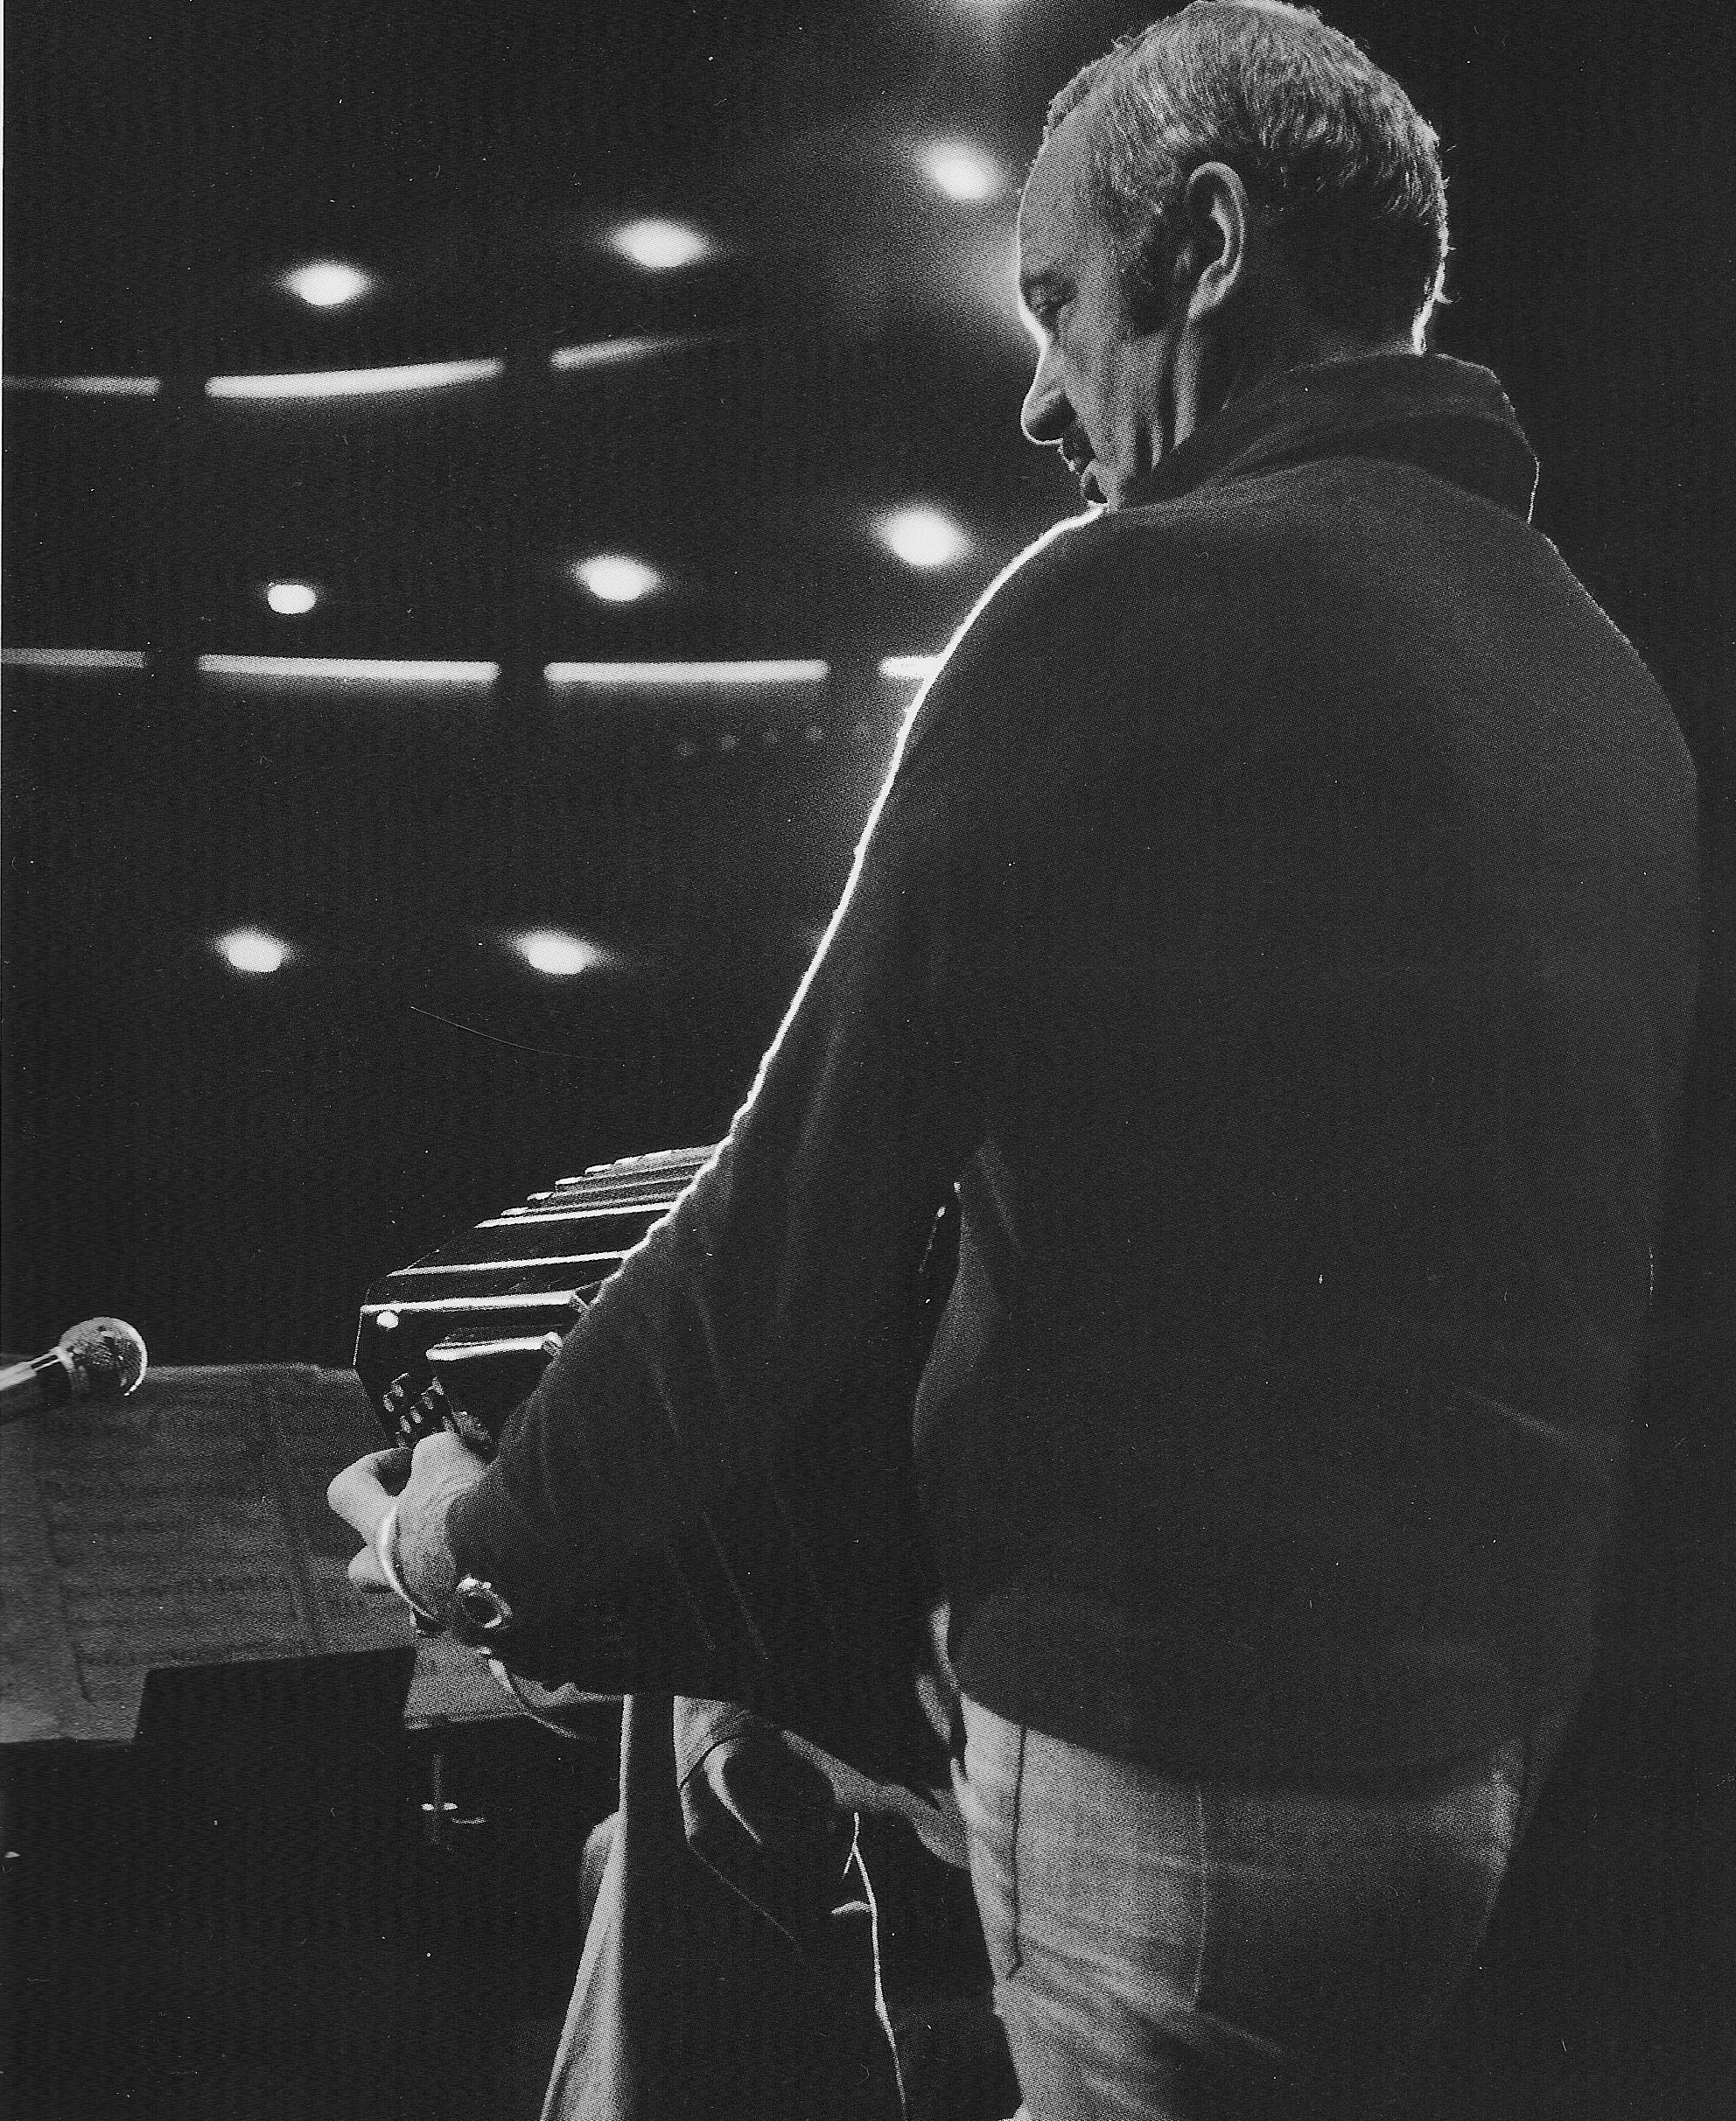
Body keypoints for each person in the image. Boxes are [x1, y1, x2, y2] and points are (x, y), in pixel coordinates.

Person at [331, 4, 1701, 2113]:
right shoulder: (1599, 687)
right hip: (1462, 1774)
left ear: (1210, 243)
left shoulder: (1110, 610)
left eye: (1057, 300)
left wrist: (472, 1542)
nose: (1037, 393)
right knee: (691, 1779)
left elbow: (777, 1227)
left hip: (1191, 1774)